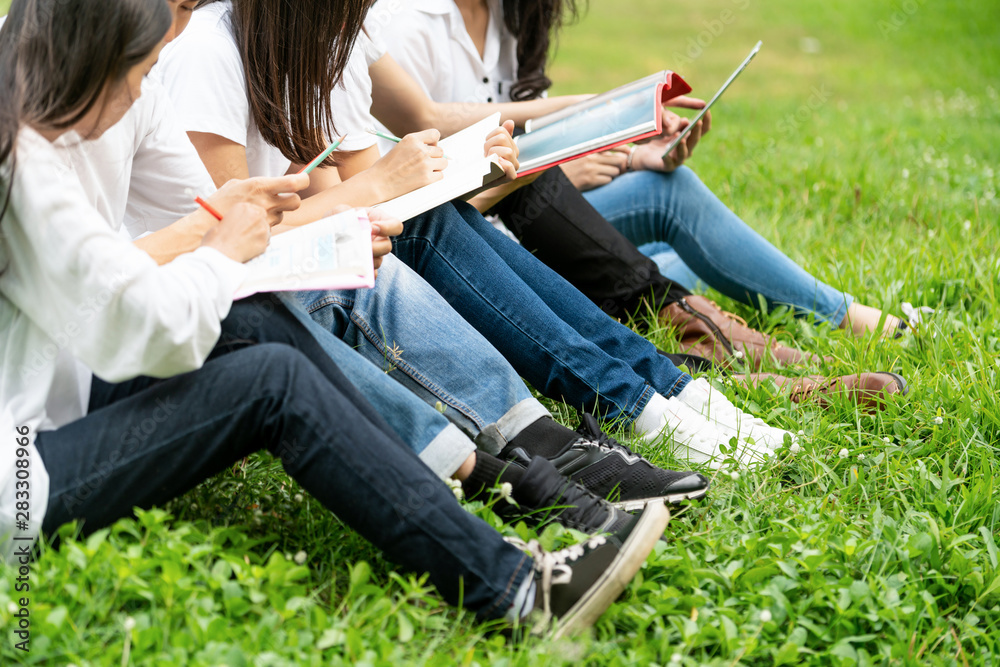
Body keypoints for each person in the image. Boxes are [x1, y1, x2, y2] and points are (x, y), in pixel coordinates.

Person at [0, 0, 668, 636]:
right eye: (141, 72)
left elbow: (204, 218)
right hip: (26, 482)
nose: (149, 88)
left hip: (74, 388)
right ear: (89, 49)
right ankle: (514, 584)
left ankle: (495, 479)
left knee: (254, 316)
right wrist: (225, 247)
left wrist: (257, 231)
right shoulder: (25, 167)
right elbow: (147, 328)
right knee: (272, 381)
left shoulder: (96, 101)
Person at [156, 0, 811, 470]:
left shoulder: (332, 42)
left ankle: (665, 390)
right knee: (437, 221)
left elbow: (355, 197)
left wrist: (473, 170)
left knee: (445, 214)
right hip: (227, 294)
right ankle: (646, 399)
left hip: (329, 257)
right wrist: (388, 186)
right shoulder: (215, 52)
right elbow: (242, 238)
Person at [368, 0, 909, 355]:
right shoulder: (403, 21)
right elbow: (427, 168)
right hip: (473, 226)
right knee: (659, 248)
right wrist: (585, 126)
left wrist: (628, 156)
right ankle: (826, 320)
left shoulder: (513, 12)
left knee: (666, 192)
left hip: (538, 206)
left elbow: (522, 134)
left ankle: (831, 313)